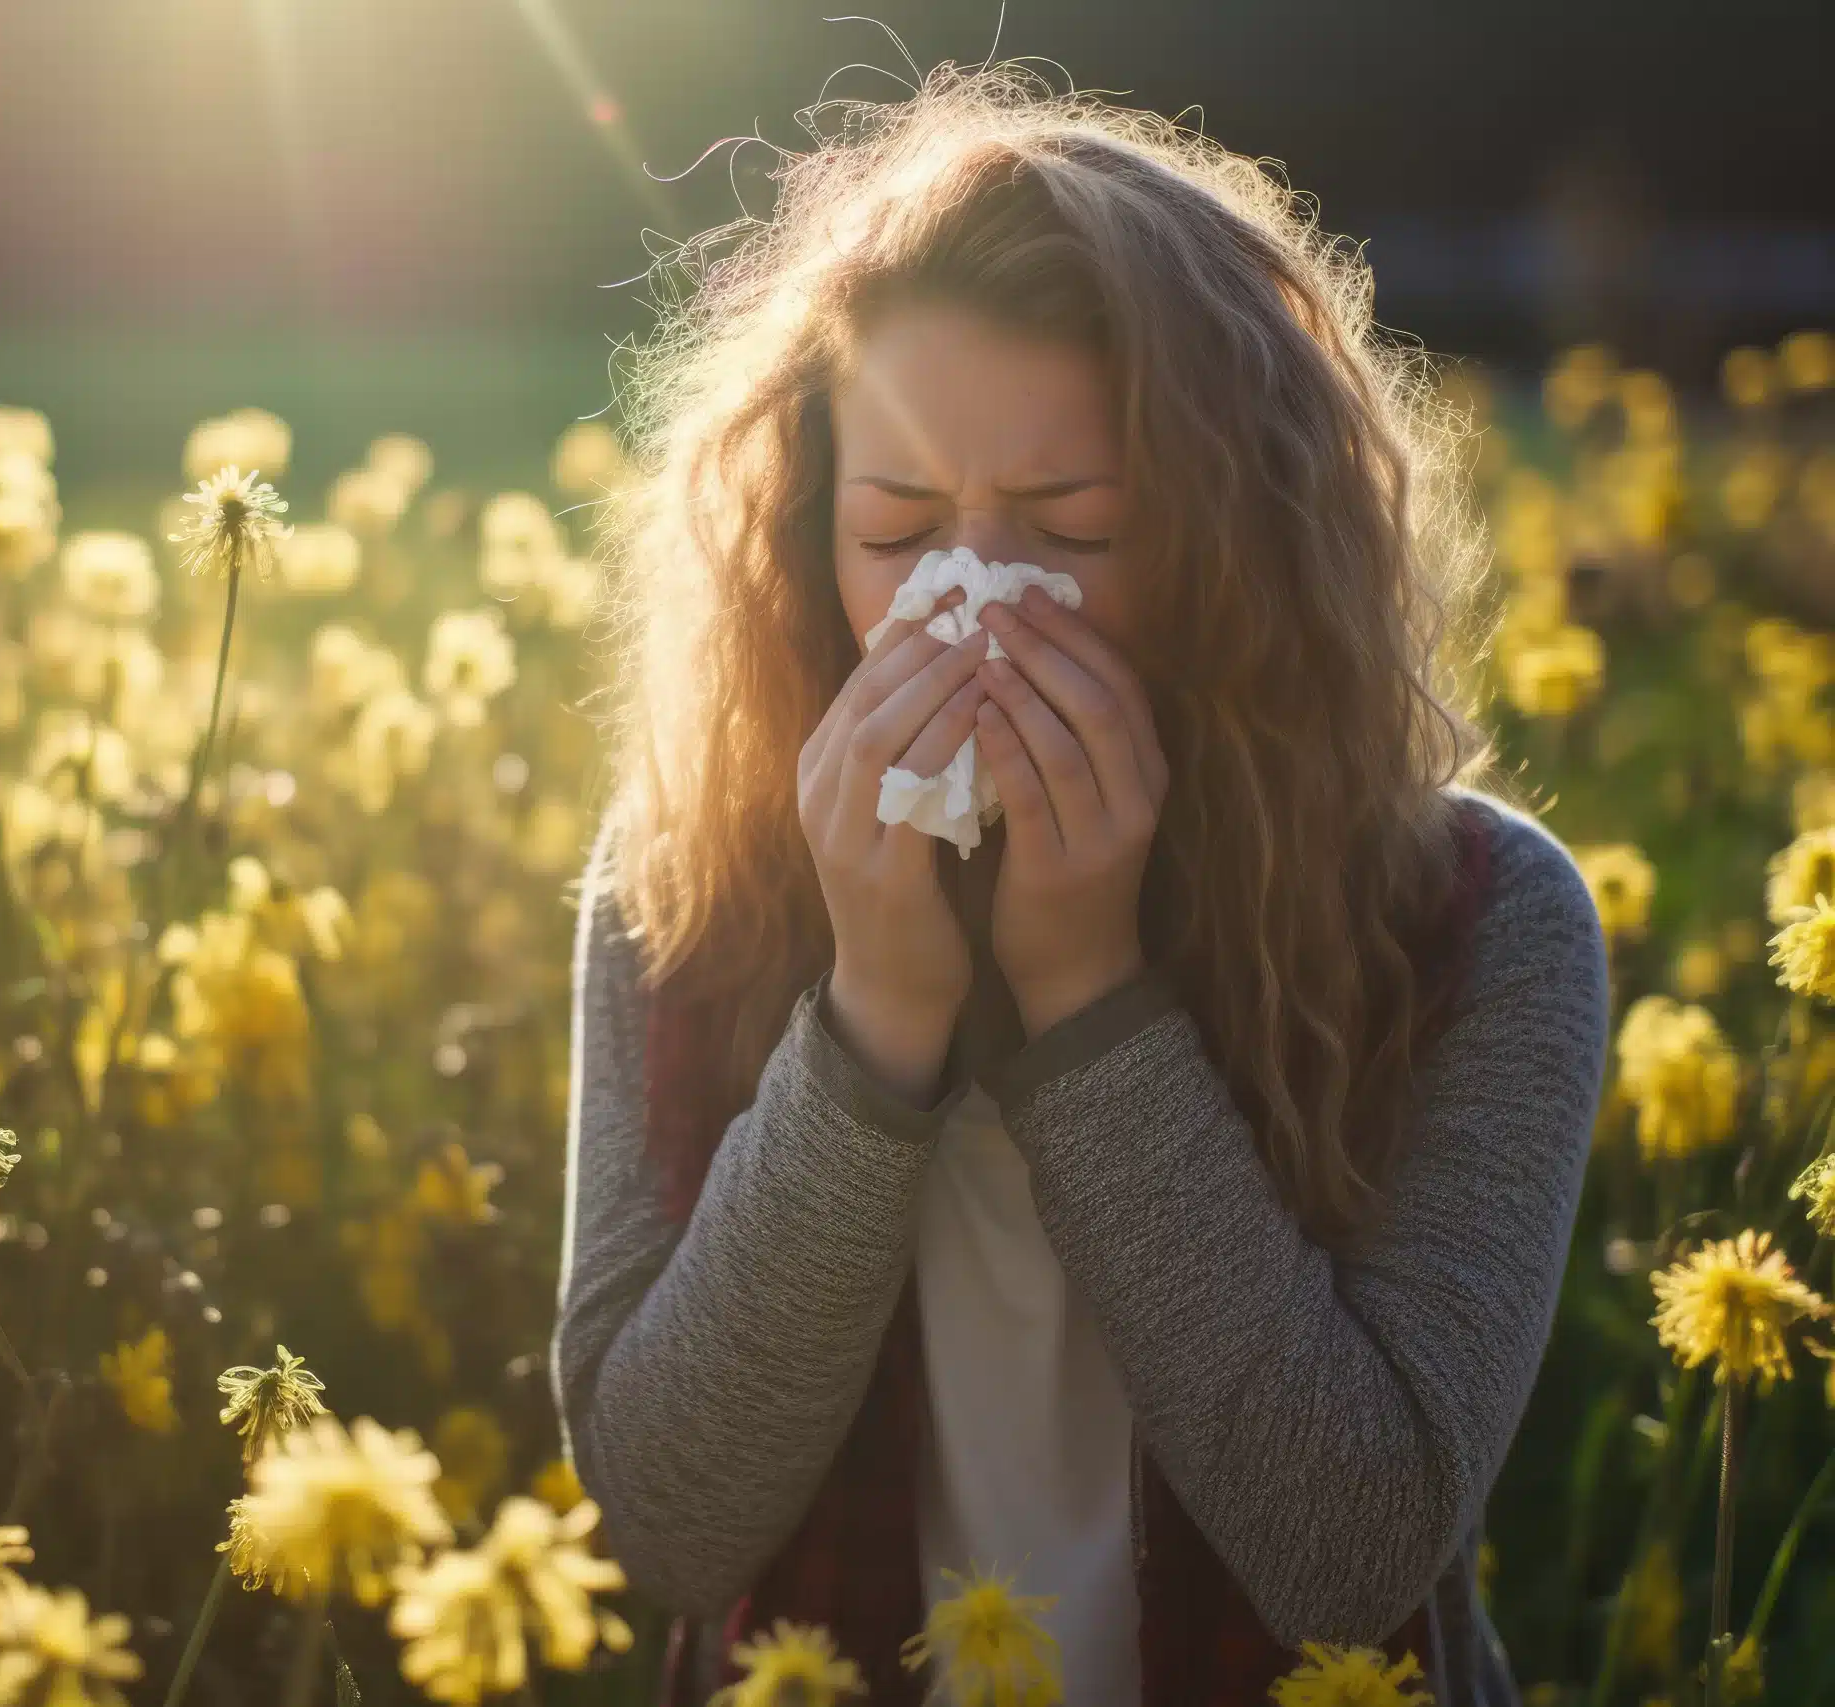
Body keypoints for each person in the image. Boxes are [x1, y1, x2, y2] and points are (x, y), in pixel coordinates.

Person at [551, 61, 1610, 1707]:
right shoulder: (682, 880)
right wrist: (878, 1010)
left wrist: (1088, 988)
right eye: (900, 532)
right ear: (806, 538)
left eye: (1072, 526)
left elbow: (1348, 1550)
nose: (975, 601)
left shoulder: (1479, 923)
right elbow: (673, 1527)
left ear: (1238, 540)